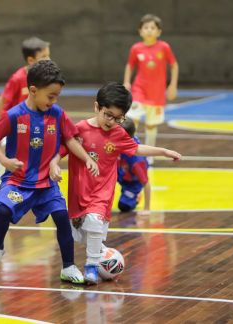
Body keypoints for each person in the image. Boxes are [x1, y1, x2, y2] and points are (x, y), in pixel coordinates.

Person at [49, 82, 181, 285]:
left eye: (118, 118)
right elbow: (62, 150)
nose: (112, 121)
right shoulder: (80, 130)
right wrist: (54, 164)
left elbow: (137, 149)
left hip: (102, 192)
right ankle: (101, 253)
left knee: (93, 222)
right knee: (80, 234)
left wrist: (163, 151)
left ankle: (91, 267)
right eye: (108, 115)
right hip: (79, 191)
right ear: (97, 107)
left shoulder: (118, 134)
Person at [0, 60, 99, 284]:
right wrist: (5, 161)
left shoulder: (57, 114)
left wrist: (86, 158)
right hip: (18, 180)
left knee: (62, 217)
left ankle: (68, 266)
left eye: (57, 96)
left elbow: (70, 140)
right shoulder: (14, 115)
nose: (54, 101)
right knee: (3, 211)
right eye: (51, 96)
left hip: (46, 183)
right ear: (33, 90)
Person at [0, 37, 51, 194]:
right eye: (44, 56)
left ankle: (36, 179)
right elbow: (2, 99)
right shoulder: (18, 78)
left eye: (48, 55)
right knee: (5, 147)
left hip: (32, 123)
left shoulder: (44, 78)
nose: (48, 59)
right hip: (13, 123)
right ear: (31, 60)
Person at [123, 14, 179, 163]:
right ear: (140, 31)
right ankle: (128, 151)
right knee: (132, 119)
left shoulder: (164, 47)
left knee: (151, 124)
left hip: (157, 93)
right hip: (139, 90)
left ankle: (149, 157)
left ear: (159, 32)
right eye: (146, 27)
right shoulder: (136, 48)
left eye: (152, 28)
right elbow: (130, 65)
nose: (149, 31)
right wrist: (127, 82)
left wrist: (172, 85)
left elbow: (174, 65)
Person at [117, 118, 151, 214]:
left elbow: (146, 183)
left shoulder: (137, 161)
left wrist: (147, 208)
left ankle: (136, 197)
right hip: (119, 169)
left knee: (124, 206)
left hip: (132, 182)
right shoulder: (124, 139)